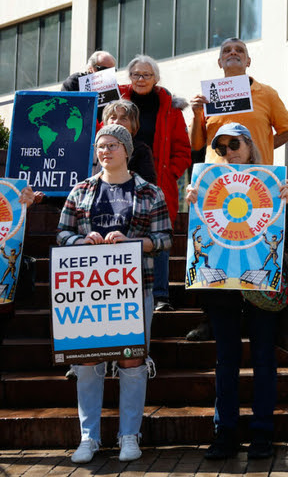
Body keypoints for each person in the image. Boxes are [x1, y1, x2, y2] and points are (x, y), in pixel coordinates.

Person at [57, 124, 172, 464]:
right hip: (88, 289)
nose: (104, 151)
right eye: (100, 146)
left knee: (131, 359)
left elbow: (165, 240)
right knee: (88, 359)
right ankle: (89, 437)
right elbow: (62, 232)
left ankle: (129, 435)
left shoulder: (150, 192)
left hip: (136, 288)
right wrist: (81, 240)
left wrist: (131, 243)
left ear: (126, 150)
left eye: (111, 145)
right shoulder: (80, 191)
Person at [185, 123, 288, 460]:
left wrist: (285, 205)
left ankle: (262, 433)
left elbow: (287, 241)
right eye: (221, 148)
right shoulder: (207, 187)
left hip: (260, 287)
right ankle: (225, 434)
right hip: (222, 291)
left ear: (249, 145)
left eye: (234, 144)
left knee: (263, 361)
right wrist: (194, 204)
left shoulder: (273, 184)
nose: (229, 152)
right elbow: (199, 239)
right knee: (226, 362)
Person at [119, 55, 192, 312]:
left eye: (146, 75)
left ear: (156, 78)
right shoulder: (116, 103)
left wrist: (168, 173)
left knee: (159, 237)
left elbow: (184, 149)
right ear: (129, 77)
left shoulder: (170, 107)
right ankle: (126, 293)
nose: (140, 79)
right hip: (120, 181)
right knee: (122, 234)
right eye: (136, 74)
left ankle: (161, 295)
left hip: (158, 183)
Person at [190, 37, 288, 165]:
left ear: (248, 61)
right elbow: (195, 145)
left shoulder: (268, 94)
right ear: (219, 62)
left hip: (256, 174)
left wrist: (255, 150)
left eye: (239, 50)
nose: (233, 52)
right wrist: (196, 114)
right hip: (218, 176)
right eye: (227, 50)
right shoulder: (206, 98)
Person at [101, 100, 156, 184]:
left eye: (123, 119)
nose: (117, 122)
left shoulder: (141, 150)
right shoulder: (96, 148)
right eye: (113, 117)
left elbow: (148, 186)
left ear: (133, 125)